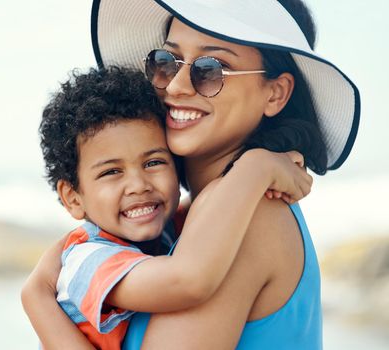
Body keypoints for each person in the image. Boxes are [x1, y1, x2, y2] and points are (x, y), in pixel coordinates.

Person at [22, 0, 360, 349]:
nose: (177, 86)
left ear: (275, 93)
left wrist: (39, 301)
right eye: (166, 63)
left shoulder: (252, 211)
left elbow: (188, 281)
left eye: (211, 68)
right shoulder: (187, 218)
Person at [32, 66, 310, 349]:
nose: (139, 185)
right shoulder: (88, 261)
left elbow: (205, 210)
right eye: (111, 172)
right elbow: (186, 281)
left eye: (153, 163)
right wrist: (255, 169)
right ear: (73, 198)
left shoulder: (160, 233)